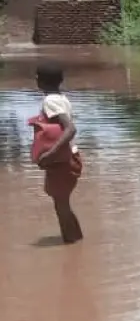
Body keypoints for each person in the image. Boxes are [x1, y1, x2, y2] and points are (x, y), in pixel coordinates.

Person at [31, 61, 83, 244]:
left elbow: (70, 129)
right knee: (63, 204)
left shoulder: (50, 101)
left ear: (39, 80)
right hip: (69, 158)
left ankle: (71, 244)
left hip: (63, 160)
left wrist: (51, 153)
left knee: (61, 205)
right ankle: (76, 242)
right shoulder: (61, 98)